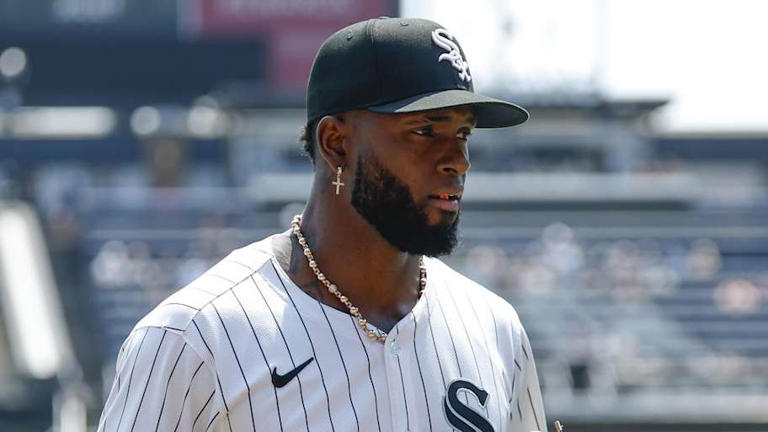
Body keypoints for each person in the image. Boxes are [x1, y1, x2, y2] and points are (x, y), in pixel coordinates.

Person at [97, 17, 547, 432]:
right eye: (426, 131)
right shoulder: (195, 338)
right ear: (336, 143)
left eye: (463, 133)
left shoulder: (495, 328)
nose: (457, 160)